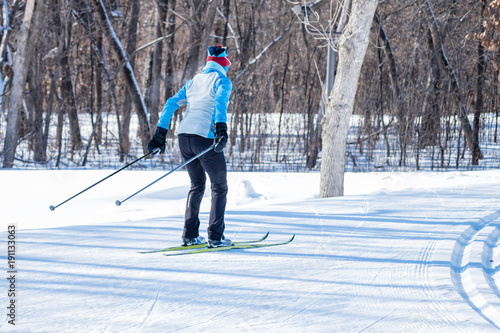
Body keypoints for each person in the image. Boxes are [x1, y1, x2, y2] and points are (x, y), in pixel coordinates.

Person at [148, 45, 233, 248]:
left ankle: (190, 235)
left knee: (197, 185)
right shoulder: (222, 81)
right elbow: (220, 102)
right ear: (224, 62)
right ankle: (215, 237)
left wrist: (160, 134)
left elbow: (170, 103)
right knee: (219, 186)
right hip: (204, 137)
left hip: (184, 137)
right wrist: (221, 127)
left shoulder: (194, 81)